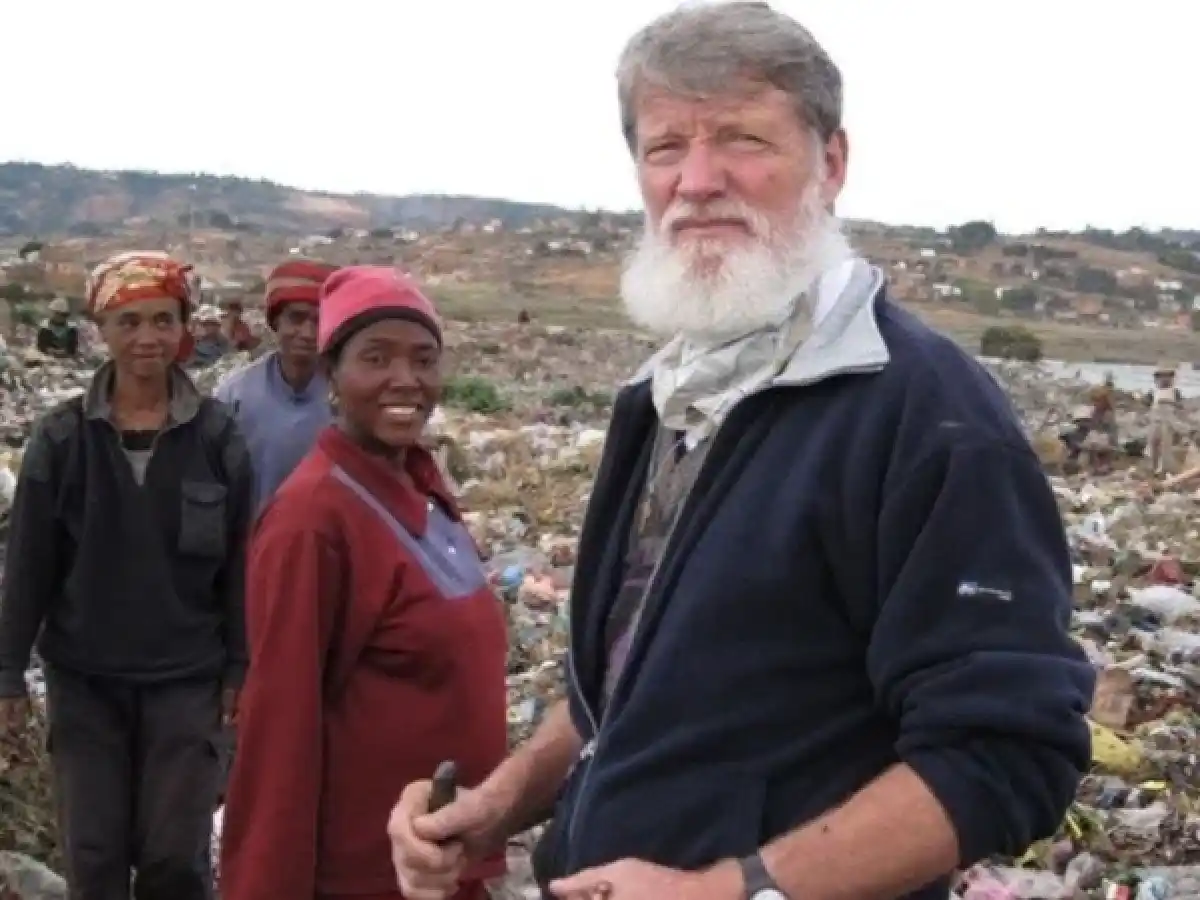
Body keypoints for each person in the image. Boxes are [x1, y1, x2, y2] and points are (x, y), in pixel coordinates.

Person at [387, 6, 1094, 900]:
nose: (697, 181)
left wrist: (731, 889)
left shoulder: (926, 416)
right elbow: (624, 679)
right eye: (665, 147)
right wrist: (497, 803)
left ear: (830, 164)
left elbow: (1008, 753)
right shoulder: (666, 397)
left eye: (742, 139)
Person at [219, 266, 508, 900]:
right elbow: (280, 726)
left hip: (444, 862)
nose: (406, 380)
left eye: (424, 359)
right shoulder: (312, 520)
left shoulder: (422, 485)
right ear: (332, 374)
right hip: (369, 872)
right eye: (376, 358)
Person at [0, 250, 254, 900]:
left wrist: (238, 669)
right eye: (130, 321)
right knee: (94, 855)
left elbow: (240, 564)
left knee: (176, 855)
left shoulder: (217, 437)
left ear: (182, 327)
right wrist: (7, 677)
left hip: (186, 681)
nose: (147, 338)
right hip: (85, 681)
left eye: (163, 320)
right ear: (102, 330)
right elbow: (28, 565)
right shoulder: (62, 441)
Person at [215, 259, 337, 510]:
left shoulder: (349, 398)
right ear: (276, 322)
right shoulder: (235, 394)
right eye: (296, 319)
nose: (307, 332)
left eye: (318, 321)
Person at [1148, 362, 1182, 475]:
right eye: (1161, 376)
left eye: (1167, 376)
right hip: (1155, 420)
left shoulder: (1174, 391)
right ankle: (1154, 467)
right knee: (1153, 444)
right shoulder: (1154, 391)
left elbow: (1179, 406)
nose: (1164, 379)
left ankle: (1163, 469)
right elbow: (1150, 405)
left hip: (1167, 421)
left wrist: (1169, 402)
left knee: (1165, 445)